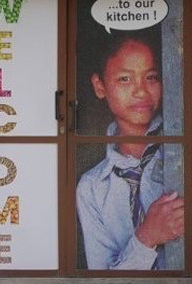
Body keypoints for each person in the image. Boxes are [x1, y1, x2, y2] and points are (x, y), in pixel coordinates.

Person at [76, 33, 184, 270]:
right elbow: (104, 278)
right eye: (125, 79)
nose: (141, 91)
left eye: (151, 77)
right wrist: (147, 237)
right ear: (99, 86)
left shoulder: (181, 155)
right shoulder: (92, 188)